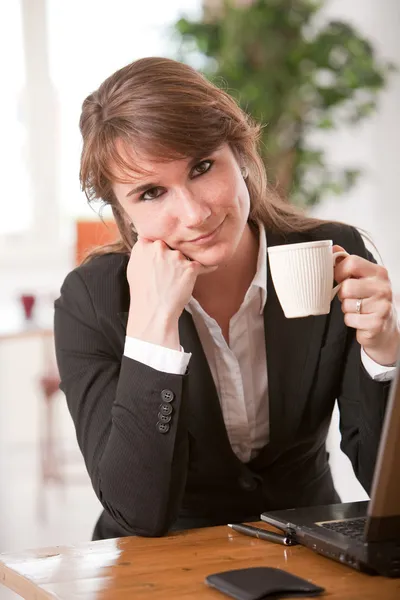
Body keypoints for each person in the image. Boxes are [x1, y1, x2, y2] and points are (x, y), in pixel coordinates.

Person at [54, 57, 399, 541]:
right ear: (124, 213)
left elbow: (388, 489)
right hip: (158, 566)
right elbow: (138, 514)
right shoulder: (91, 299)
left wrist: (383, 353)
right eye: (151, 193)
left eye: (201, 167)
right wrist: (153, 331)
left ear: (240, 155)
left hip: (306, 545)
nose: (193, 214)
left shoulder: (326, 255)